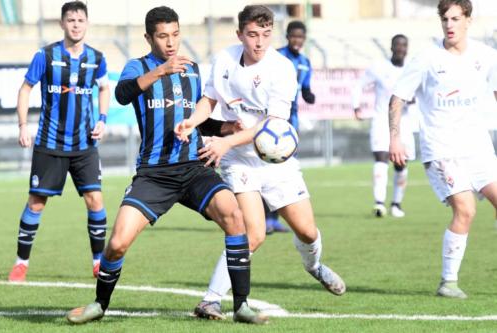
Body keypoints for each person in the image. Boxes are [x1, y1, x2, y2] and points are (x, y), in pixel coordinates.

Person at [66, 6, 266, 325]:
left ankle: (241, 305)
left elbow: (201, 119)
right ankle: (100, 305)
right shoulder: (137, 67)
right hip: (154, 175)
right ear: (149, 38)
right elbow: (122, 94)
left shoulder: (192, 69)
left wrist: (226, 129)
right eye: (162, 36)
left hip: (193, 167)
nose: (171, 42)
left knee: (233, 215)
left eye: (175, 35)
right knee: (116, 244)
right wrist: (161, 71)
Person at [175, 5, 345, 321]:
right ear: (240, 34)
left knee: (307, 232)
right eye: (253, 35)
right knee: (252, 234)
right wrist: (191, 121)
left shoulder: (282, 69)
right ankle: (211, 300)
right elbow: (209, 100)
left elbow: (270, 128)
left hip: (275, 161)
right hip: (240, 162)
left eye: (266, 35)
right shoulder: (224, 59)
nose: (259, 42)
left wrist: (224, 141)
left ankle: (314, 266)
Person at [389, 0, 497, 299]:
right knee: (466, 209)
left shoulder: (487, 57)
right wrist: (395, 138)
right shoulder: (426, 59)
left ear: (468, 21)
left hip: (478, 149)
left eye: (455, 18)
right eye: (444, 19)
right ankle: (448, 282)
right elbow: (397, 98)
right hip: (442, 149)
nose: (449, 25)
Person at [9, 0, 110, 282]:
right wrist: (23, 125)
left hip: (84, 145)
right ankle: (21, 263)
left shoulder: (97, 58)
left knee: (95, 200)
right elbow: (25, 89)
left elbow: (104, 88)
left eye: (80, 20)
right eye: (71, 20)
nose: (76, 24)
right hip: (50, 143)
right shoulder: (46, 55)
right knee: (37, 202)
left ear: (86, 24)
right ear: (62, 24)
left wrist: (102, 118)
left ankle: (98, 262)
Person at [258, 20, 317, 234]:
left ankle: (272, 219)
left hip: (291, 127)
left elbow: (305, 88)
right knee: (266, 169)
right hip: (271, 124)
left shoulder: (304, 62)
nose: (297, 40)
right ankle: (262, 219)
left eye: (300, 37)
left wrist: (309, 95)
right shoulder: (276, 57)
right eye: (294, 36)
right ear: (287, 36)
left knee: (280, 172)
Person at [352, 34, 415, 218]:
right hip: (381, 120)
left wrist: (415, 102)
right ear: (391, 47)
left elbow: (421, 91)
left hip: (404, 124)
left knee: (401, 164)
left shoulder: (412, 69)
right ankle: (379, 203)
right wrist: (356, 106)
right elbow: (359, 85)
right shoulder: (379, 67)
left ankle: (396, 203)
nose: (400, 49)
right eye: (397, 45)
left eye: (404, 45)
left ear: (407, 48)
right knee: (381, 159)